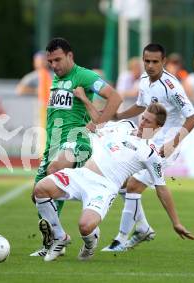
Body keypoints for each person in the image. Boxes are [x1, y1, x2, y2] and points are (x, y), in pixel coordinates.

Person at [33, 103, 194, 262]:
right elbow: (95, 124)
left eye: (148, 121)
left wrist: (176, 223)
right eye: (143, 117)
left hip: (103, 188)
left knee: (85, 226)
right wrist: (84, 100)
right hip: (82, 175)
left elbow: (162, 189)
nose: (142, 122)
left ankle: (90, 243)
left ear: (157, 127)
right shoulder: (124, 126)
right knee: (40, 189)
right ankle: (60, 237)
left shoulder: (151, 153)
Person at [97, 43, 194, 252]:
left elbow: (193, 118)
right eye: (147, 61)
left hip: (167, 144)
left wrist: (173, 143)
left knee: (133, 185)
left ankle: (121, 240)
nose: (150, 65)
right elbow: (142, 105)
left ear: (164, 62)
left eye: (155, 62)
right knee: (124, 182)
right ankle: (142, 228)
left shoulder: (172, 87)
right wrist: (119, 115)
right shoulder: (143, 80)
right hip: (148, 139)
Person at [30, 37, 122, 257]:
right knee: (40, 194)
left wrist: (98, 122)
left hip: (75, 139)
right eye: (50, 61)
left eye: (58, 60)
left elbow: (115, 98)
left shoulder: (85, 76)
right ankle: (53, 240)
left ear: (70, 56)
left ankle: (62, 238)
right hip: (52, 143)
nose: (54, 65)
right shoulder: (56, 77)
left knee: (54, 170)